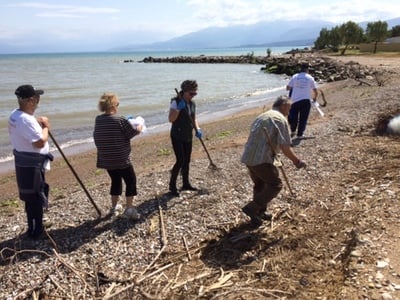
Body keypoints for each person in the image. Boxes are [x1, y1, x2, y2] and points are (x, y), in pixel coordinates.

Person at [241, 95, 306, 228]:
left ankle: (259, 213)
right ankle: (252, 208)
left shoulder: (262, 116)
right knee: (275, 185)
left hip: (249, 156)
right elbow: (285, 147)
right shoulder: (280, 119)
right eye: (289, 108)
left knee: (260, 185)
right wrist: (297, 161)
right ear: (283, 106)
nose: (289, 112)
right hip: (261, 159)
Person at [8, 84, 53, 239]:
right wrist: (46, 127)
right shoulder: (25, 120)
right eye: (36, 98)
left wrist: (38, 125)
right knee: (36, 195)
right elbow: (39, 142)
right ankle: (37, 229)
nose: (38, 101)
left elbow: (27, 135)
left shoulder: (15, 114)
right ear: (30, 101)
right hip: (32, 163)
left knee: (29, 195)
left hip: (23, 161)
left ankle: (32, 226)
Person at [93, 93, 142, 219]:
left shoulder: (98, 120)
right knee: (131, 180)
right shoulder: (120, 119)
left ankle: (114, 207)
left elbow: (97, 137)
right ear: (114, 105)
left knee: (115, 180)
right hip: (122, 158)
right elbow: (132, 132)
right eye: (117, 104)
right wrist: (139, 126)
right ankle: (129, 208)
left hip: (107, 159)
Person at [168, 80, 202, 196]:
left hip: (188, 134)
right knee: (180, 160)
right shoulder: (176, 102)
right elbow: (171, 119)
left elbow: (194, 118)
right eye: (191, 94)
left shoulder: (192, 104)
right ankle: (172, 186)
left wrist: (198, 129)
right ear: (184, 91)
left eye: (195, 94)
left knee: (187, 160)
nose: (193, 96)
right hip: (177, 135)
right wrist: (178, 109)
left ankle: (186, 183)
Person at [286, 62, 318, 138]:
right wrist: (314, 99)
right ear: (307, 69)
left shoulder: (295, 76)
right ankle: (300, 134)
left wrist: (295, 87)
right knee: (303, 118)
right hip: (306, 100)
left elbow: (288, 88)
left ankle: (293, 130)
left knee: (293, 117)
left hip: (294, 101)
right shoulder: (310, 78)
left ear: (300, 69)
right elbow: (315, 91)